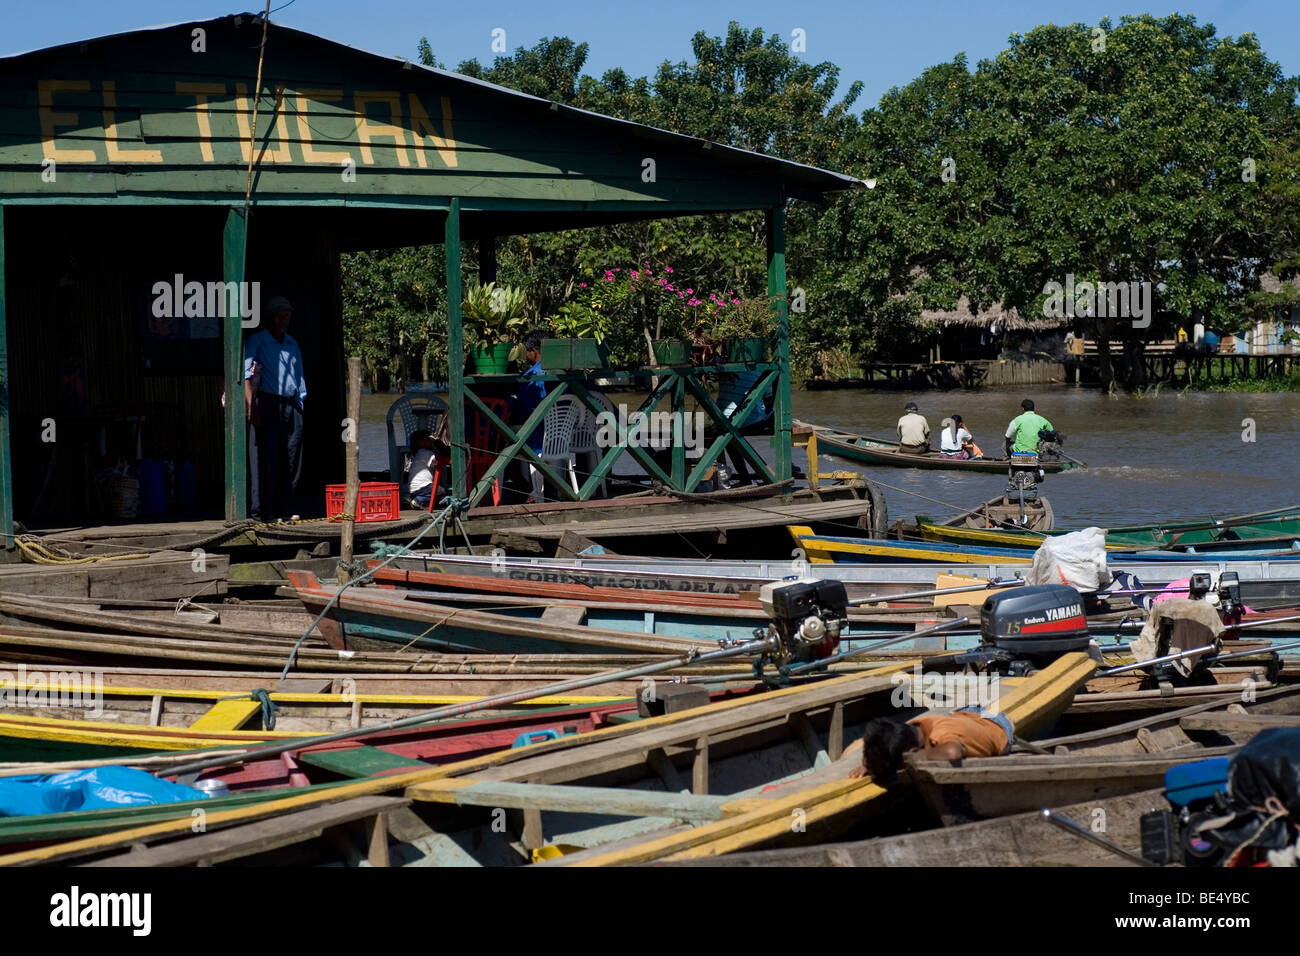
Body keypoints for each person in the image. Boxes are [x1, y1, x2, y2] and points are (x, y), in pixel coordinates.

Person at [244, 296, 305, 521]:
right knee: (265, 458)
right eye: (280, 316)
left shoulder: (291, 343)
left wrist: (300, 404)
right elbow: (246, 374)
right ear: (271, 318)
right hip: (268, 403)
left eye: (287, 316)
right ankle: (262, 512)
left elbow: (299, 376)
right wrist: (252, 406)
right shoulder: (258, 340)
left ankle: (283, 509)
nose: (284, 321)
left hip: (292, 404)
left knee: (292, 459)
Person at [847, 709, 1015, 780]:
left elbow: (953, 752)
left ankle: (1010, 721)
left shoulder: (941, 737)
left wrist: (914, 758)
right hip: (965, 716)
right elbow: (881, 739)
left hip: (996, 725)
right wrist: (869, 762)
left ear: (912, 752)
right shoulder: (911, 731)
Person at [509, 332, 547, 502]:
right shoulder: (560, 372)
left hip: (537, 434)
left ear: (533, 351)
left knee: (501, 441)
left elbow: (522, 409)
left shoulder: (529, 377)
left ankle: (531, 490)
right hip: (562, 433)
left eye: (526, 352)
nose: (525, 356)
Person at [406, 429, 438, 509]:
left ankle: (416, 499)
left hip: (414, 489)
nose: (431, 441)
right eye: (427, 439)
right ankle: (418, 500)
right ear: (420, 443)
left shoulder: (418, 454)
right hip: (423, 487)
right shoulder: (426, 453)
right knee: (440, 491)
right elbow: (436, 463)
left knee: (437, 494)